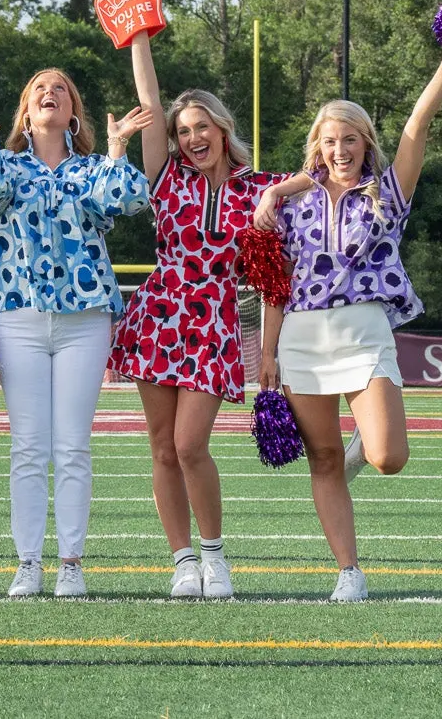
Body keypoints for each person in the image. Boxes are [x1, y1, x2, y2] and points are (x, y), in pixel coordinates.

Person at [253, 31, 442, 603]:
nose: (339, 149)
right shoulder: (291, 205)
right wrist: (267, 353)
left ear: (365, 142)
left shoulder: (388, 193)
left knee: (386, 456)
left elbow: (417, 126)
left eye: (349, 139)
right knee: (321, 458)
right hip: (301, 337)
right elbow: (276, 285)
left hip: (364, 332)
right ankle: (349, 571)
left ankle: (361, 452)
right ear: (316, 148)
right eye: (329, 142)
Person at [108, 32, 314, 600]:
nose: (192, 138)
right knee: (161, 446)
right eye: (183, 132)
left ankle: (215, 555)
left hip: (214, 319)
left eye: (202, 127)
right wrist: (140, 39)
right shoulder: (166, 176)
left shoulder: (258, 189)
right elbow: (148, 99)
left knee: (191, 444)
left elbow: (319, 172)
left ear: (222, 130)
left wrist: (278, 195)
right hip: (159, 313)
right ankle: (181, 560)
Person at [0, 69, 153, 600]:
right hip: (17, 316)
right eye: (39, 89)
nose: (50, 93)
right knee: (27, 446)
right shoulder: (8, 164)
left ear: (74, 112)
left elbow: (128, 201)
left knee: (71, 446)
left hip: (84, 319)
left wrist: (116, 150)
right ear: (27, 110)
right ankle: (27, 562)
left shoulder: (92, 169)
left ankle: (70, 562)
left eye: (61, 90)